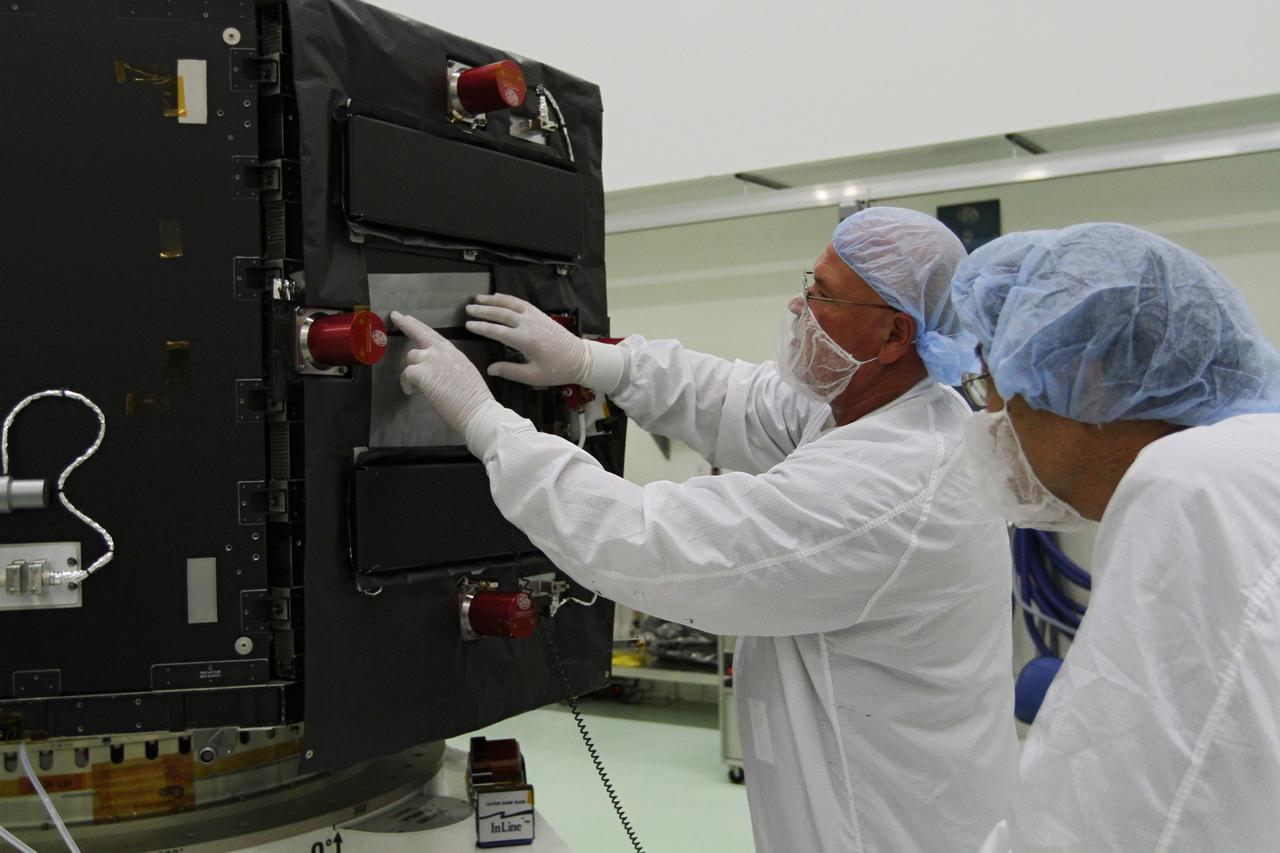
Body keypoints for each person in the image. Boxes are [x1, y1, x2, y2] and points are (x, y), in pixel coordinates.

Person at [393, 207, 1018, 851]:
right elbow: (738, 397)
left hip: (889, 829)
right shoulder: (877, 409)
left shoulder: (891, 484)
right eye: (809, 282)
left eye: (825, 296)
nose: (799, 306)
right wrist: (595, 361)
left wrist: (486, 422)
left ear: (894, 334)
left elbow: (653, 543)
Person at [949, 223, 1280, 852]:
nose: (990, 417)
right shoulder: (1259, 461)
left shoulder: (1194, 488)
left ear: (1088, 377)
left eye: (990, 382)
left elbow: (1104, 818)